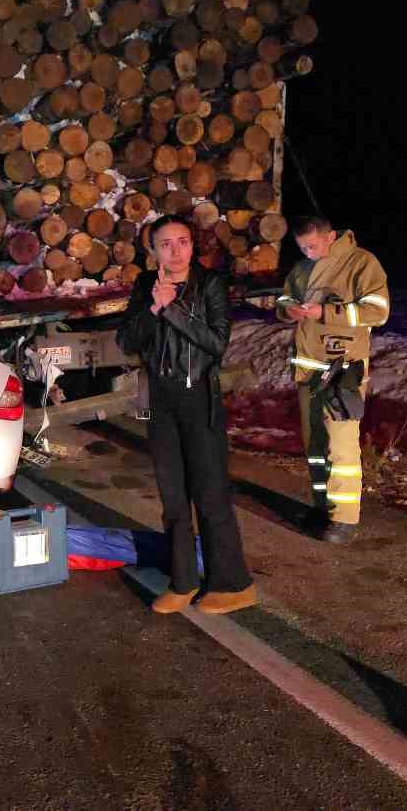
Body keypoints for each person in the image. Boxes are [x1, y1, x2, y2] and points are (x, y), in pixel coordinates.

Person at [117, 214, 257, 614]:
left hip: (200, 403)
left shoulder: (209, 284)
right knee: (173, 497)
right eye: (166, 244)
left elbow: (216, 343)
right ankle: (182, 581)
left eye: (182, 242)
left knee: (210, 495)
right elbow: (127, 339)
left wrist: (173, 309)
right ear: (153, 250)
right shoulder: (146, 285)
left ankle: (233, 584)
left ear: (193, 246)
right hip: (162, 403)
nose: (175, 251)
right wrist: (153, 309)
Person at [274, 216, 391, 544]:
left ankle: (344, 518)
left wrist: (325, 312)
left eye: (312, 246)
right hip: (308, 369)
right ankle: (323, 507)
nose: (308, 253)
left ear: (330, 238)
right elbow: (283, 299)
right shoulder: (302, 268)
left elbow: (378, 311)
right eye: (302, 248)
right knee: (315, 445)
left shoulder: (361, 263)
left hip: (343, 368)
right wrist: (290, 310)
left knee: (340, 443)